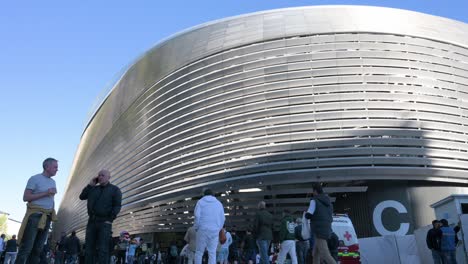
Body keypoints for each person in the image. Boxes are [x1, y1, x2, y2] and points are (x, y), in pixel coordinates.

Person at [16, 158, 58, 264]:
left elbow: (50, 199)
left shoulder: (53, 182)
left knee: (38, 250)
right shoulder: (34, 178)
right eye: (55, 167)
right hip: (35, 216)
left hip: (47, 217)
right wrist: (46, 193)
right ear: (47, 167)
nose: (57, 169)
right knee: (27, 248)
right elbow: (25, 197)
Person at [79, 169, 122, 264]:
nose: (100, 177)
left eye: (102, 175)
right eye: (99, 175)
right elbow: (82, 196)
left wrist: (110, 219)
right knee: (89, 248)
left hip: (105, 222)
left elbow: (117, 206)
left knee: (103, 249)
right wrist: (90, 185)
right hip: (92, 222)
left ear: (108, 177)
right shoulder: (93, 189)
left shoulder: (115, 189)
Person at [305, 183, 336, 264]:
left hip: (318, 230)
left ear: (315, 191)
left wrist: (305, 214)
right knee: (315, 253)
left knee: (325, 254)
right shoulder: (329, 203)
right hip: (327, 228)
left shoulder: (314, 200)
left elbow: (309, 214)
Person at [194, 188, 225, 264]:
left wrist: (196, 227)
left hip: (202, 229)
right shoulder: (218, 203)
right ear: (213, 195)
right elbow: (223, 219)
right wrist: (218, 228)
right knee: (212, 253)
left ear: (204, 195)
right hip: (214, 231)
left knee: (199, 252)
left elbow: (197, 216)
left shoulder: (200, 202)